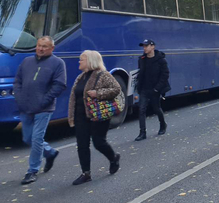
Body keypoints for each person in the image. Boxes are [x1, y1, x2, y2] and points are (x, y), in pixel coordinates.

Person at [13, 36, 66, 185]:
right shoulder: (27, 61)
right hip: (26, 107)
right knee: (27, 138)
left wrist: (44, 100)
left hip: (44, 108)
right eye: (39, 45)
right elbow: (17, 81)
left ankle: (32, 171)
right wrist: (20, 98)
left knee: (36, 138)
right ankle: (50, 152)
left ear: (52, 49)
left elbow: (60, 85)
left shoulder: (58, 63)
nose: (40, 49)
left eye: (44, 46)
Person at [67, 50, 122, 185]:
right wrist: (72, 115)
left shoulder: (103, 75)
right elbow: (74, 97)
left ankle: (113, 158)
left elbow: (116, 89)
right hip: (81, 116)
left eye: (82, 59)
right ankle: (86, 173)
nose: (79, 61)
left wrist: (98, 93)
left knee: (99, 142)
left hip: (98, 115)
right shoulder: (81, 77)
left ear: (90, 61)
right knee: (82, 145)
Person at [135, 39, 170, 142]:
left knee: (156, 108)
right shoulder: (141, 59)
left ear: (153, 46)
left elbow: (165, 75)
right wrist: (138, 86)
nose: (144, 48)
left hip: (155, 89)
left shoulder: (161, 60)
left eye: (146, 46)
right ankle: (142, 133)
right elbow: (140, 73)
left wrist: (157, 88)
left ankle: (163, 125)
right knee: (141, 110)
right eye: (143, 46)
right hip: (144, 89)